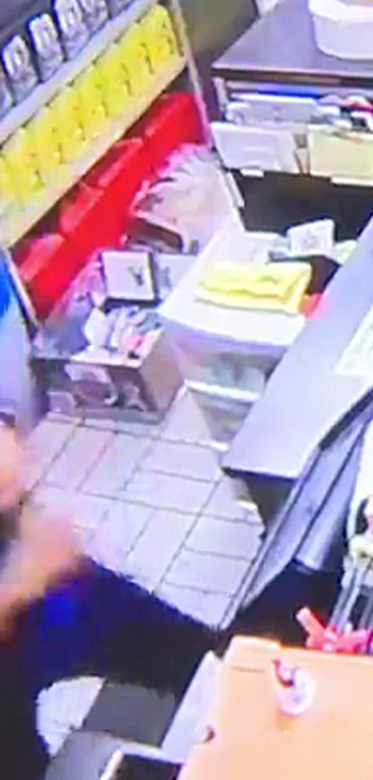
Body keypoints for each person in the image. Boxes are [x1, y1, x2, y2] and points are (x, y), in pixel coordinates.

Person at [0, 268, 222, 776]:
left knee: (169, 644)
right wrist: (16, 586)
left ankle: (247, 681)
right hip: (17, 593)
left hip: (29, 570)